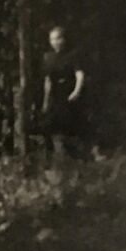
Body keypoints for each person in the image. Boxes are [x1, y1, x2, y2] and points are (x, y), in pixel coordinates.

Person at [41, 25, 85, 157]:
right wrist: (45, 101)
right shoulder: (48, 57)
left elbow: (79, 74)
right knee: (52, 125)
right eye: (52, 39)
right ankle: (57, 155)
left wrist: (76, 91)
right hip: (55, 94)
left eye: (58, 38)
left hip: (69, 93)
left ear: (64, 39)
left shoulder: (72, 55)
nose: (55, 42)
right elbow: (48, 80)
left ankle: (76, 155)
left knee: (70, 125)